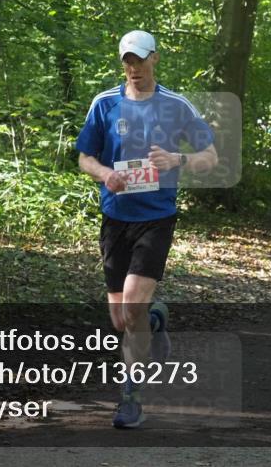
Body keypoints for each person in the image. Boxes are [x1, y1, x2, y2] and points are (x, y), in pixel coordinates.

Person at [76, 30, 218, 428]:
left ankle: (130, 396)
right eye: (126, 60)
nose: (132, 67)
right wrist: (105, 174)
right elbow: (85, 157)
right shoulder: (105, 103)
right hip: (115, 218)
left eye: (139, 59)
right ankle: (156, 321)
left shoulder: (176, 106)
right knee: (122, 320)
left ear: (154, 58)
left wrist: (178, 159)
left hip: (156, 216)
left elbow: (210, 155)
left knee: (133, 306)